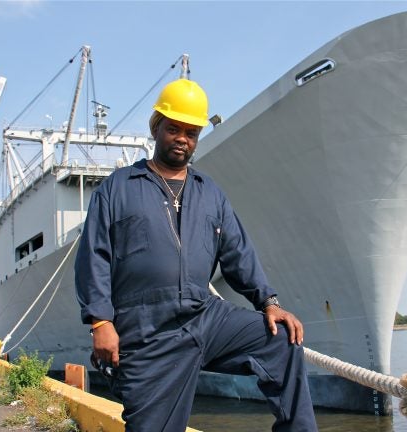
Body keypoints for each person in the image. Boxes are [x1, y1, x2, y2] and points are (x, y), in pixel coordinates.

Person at [75, 78, 318, 432]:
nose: (182, 139)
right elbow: (93, 257)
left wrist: (268, 301)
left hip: (205, 316)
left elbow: (237, 252)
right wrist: (101, 322)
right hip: (147, 331)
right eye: (174, 129)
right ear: (157, 128)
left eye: (191, 132)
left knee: (280, 340)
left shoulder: (210, 193)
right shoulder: (118, 187)